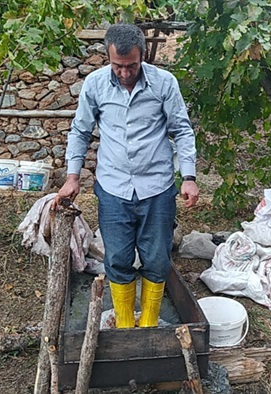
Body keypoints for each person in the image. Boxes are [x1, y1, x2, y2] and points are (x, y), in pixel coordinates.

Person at [55, 24, 199, 329]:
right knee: (118, 258)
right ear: (108, 58)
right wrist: (72, 177)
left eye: (131, 65)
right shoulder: (95, 85)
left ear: (142, 56)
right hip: (113, 188)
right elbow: (80, 131)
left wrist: (188, 176)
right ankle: (123, 324)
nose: (124, 73)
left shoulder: (164, 83)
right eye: (117, 66)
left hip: (157, 188)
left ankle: (147, 325)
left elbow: (182, 130)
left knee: (157, 259)